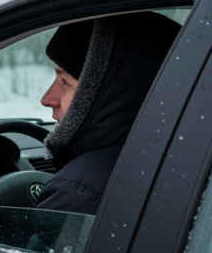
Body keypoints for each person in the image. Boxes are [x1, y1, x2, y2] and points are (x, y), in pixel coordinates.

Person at [35, 12, 181, 215]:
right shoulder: (177, 160)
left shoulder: (79, 193)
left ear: (116, 94)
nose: (47, 99)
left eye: (66, 82)